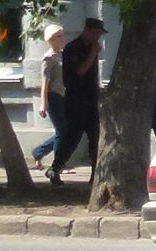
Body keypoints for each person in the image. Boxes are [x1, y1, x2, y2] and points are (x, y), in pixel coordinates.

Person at [47, 17, 106, 186]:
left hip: (91, 98)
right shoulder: (73, 48)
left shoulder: (91, 47)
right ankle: (55, 168)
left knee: (95, 138)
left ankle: (96, 176)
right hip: (75, 98)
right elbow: (79, 72)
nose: (97, 37)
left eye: (99, 34)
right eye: (95, 33)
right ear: (87, 30)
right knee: (72, 136)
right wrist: (93, 53)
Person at [30, 24, 66, 171]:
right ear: (51, 39)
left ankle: (39, 152)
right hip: (54, 98)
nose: (63, 38)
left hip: (65, 97)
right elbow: (45, 82)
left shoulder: (63, 54)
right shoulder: (49, 58)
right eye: (59, 36)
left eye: (63, 35)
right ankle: (58, 164)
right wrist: (43, 104)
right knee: (62, 131)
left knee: (66, 131)